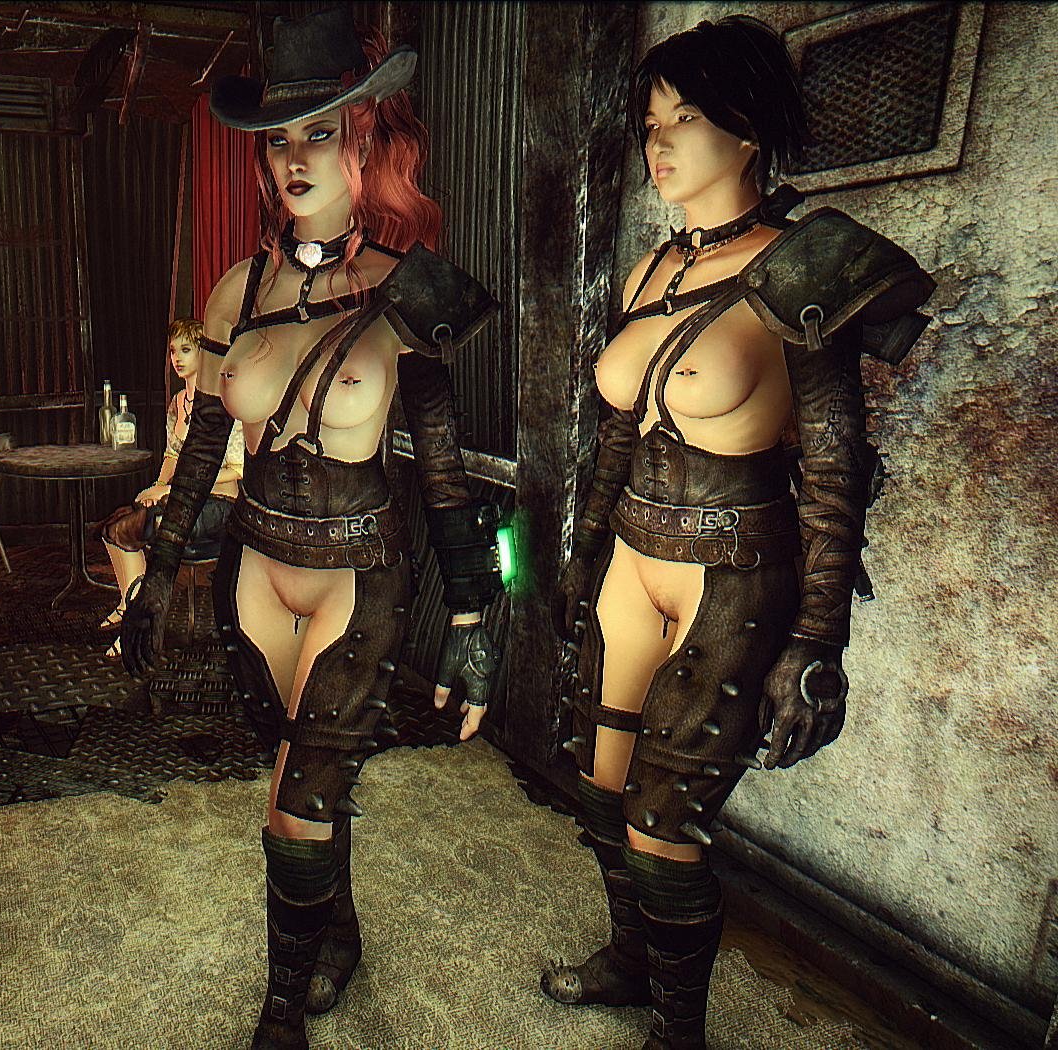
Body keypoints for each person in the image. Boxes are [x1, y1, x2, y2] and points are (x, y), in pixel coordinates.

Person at [541, 18, 934, 1049]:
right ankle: (631, 959)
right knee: (602, 791)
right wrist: (584, 551)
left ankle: (680, 1030)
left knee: (665, 824)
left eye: (686, 118)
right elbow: (617, 437)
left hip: (733, 573)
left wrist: (816, 641)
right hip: (632, 558)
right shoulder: (648, 271)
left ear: (749, 129)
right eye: (651, 123)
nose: (660, 142)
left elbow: (836, 471)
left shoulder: (808, 269)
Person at [119, 9, 505, 1049]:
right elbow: (203, 450)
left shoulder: (410, 288)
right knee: (303, 785)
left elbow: (442, 469)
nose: (294, 160)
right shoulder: (235, 292)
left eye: (320, 133)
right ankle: (339, 933)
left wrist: (474, 613)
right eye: (279, 141)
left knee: (294, 806)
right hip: (254, 568)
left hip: (356, 576)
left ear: (364, 140)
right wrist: (156, 575)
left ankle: (280, 1016)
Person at [95, 318, 245, 659]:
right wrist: (158, 486)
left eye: (186, 350)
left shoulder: (225, 402)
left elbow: (236, 470)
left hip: (219, 504)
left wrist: (170, 491)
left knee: (138, 526)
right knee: (113, 527)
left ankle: (138, 626)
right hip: (182, 498)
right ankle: (128, 606)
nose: (177, 358)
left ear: (204, 354)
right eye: (173, 350)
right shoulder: (178, 402)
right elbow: (172, 455)